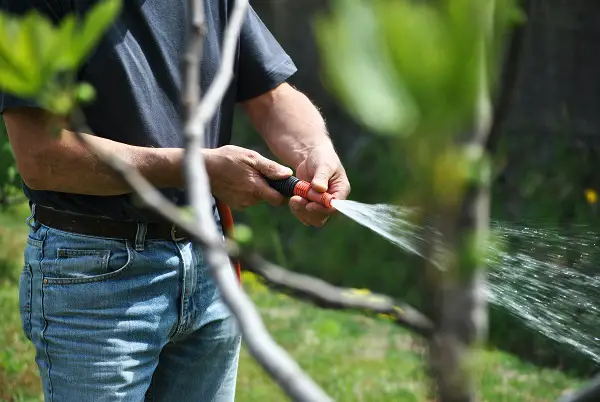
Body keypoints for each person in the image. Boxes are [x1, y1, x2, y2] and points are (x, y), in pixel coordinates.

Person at [0, 0, 350, 401]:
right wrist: (195, 168)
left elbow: (271, 96)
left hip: (208, 260)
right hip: (96, 277)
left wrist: (314, 151)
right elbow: (41, 157)